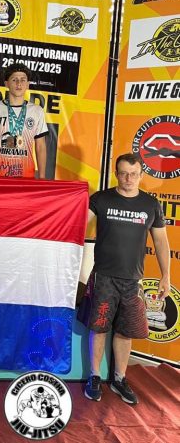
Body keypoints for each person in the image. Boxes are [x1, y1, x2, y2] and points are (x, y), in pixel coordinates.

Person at [80, 153, 170, 405]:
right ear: (116, 174)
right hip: (104, 277)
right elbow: (77, 224)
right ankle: (95, 376)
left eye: (133, 174)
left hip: (133, 280)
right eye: (123, 173)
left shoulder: (151, 204)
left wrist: (166, 275)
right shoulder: (101, 199)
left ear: (141, 175)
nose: (128, 178)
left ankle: (119, 379)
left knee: (125, 331)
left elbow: (161, 241)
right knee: (98, 328)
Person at [0, 63, 48, 178]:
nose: (19, 83)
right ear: (6, 83)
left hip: (26, 177)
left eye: (23, 80)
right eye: (14, 80)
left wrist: (42, 177)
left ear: (28, 84)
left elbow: (40, 145)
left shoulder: (37, 111)